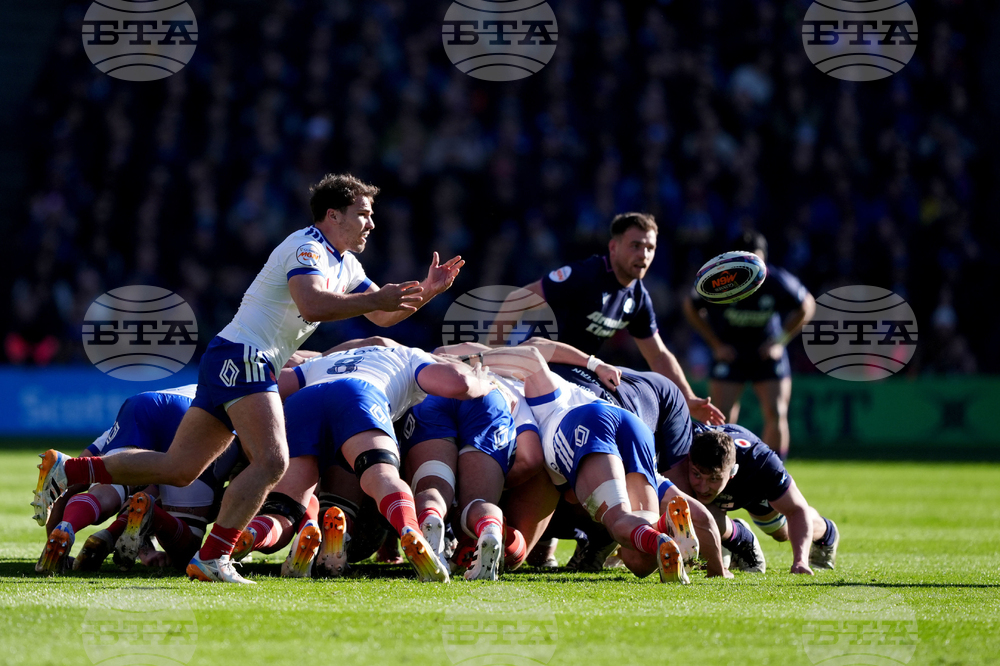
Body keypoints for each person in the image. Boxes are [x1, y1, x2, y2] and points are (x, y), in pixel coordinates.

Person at [33, 173, 464, 584]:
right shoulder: (307, 246)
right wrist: (377, 296)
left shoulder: (347, 264)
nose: (371, 222)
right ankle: (214, 556)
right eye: (363, 213)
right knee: (272, 462)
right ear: (333, 215)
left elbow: (381, 314)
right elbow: (312, 304)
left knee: (180, 469)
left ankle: (70, 470)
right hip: (246, 357)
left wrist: (427, 291)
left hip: (231, 356)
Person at [236, 344, 494, 582]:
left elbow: (268, 386)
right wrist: (481, 382)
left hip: (303, 401)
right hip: (359, 394)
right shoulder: (409, 355)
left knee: (286, 509)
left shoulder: (325, 359)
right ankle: (409, 529)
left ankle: (251, 536)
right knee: (381, 476)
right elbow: (457, 384)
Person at [477, 344, 698, 584]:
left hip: (586, 426)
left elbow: (531, 356)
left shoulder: (512, 392)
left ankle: (658, 539)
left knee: (617, 520)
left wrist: (468, 360)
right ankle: (665, 524)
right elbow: (535, 349)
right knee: (639, 563)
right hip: (630, 422)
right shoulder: (561, 381)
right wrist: (593, 363)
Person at [502, 212, 724, 426]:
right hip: (539, 367)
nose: (643, 255)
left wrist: (687, 398)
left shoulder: (637, 297)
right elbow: (516, 299)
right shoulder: (586, 274)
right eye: (635, 246)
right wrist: (490, 354)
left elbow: (657, 355)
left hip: (576, 374)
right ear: (613, 247)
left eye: (650, 248)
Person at [34, 386, 239, 575]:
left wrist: (56, 532)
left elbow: (68, 487)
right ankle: (135, 523)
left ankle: (75, 528)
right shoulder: (249, 404)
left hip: (143, 403)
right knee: (187, 548)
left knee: (103, 490)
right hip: (196, 416)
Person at [683, 231, 815, 458]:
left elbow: (807, 305)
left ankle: (776, 476)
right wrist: (715, 344)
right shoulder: (719, 280)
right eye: (746, 262)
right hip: (730, 354)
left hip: (766, 354)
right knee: (720, 416)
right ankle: (720, 470)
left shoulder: (776, 281)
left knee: (776, 413)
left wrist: (780, 342)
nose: (752, 270)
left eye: (756, 261)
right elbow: (690, 304)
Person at [663, 423, 840, 574]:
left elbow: (796, 510)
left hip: (750, 490)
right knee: (691, 508)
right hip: (712, 495)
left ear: (732, 472)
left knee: (780, 531)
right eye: (697, 474)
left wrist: (800, 561)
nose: (703, 486)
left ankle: (827, 531)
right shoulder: (683, 448)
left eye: (714, 479)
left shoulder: (761, 464)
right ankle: (738, 539)